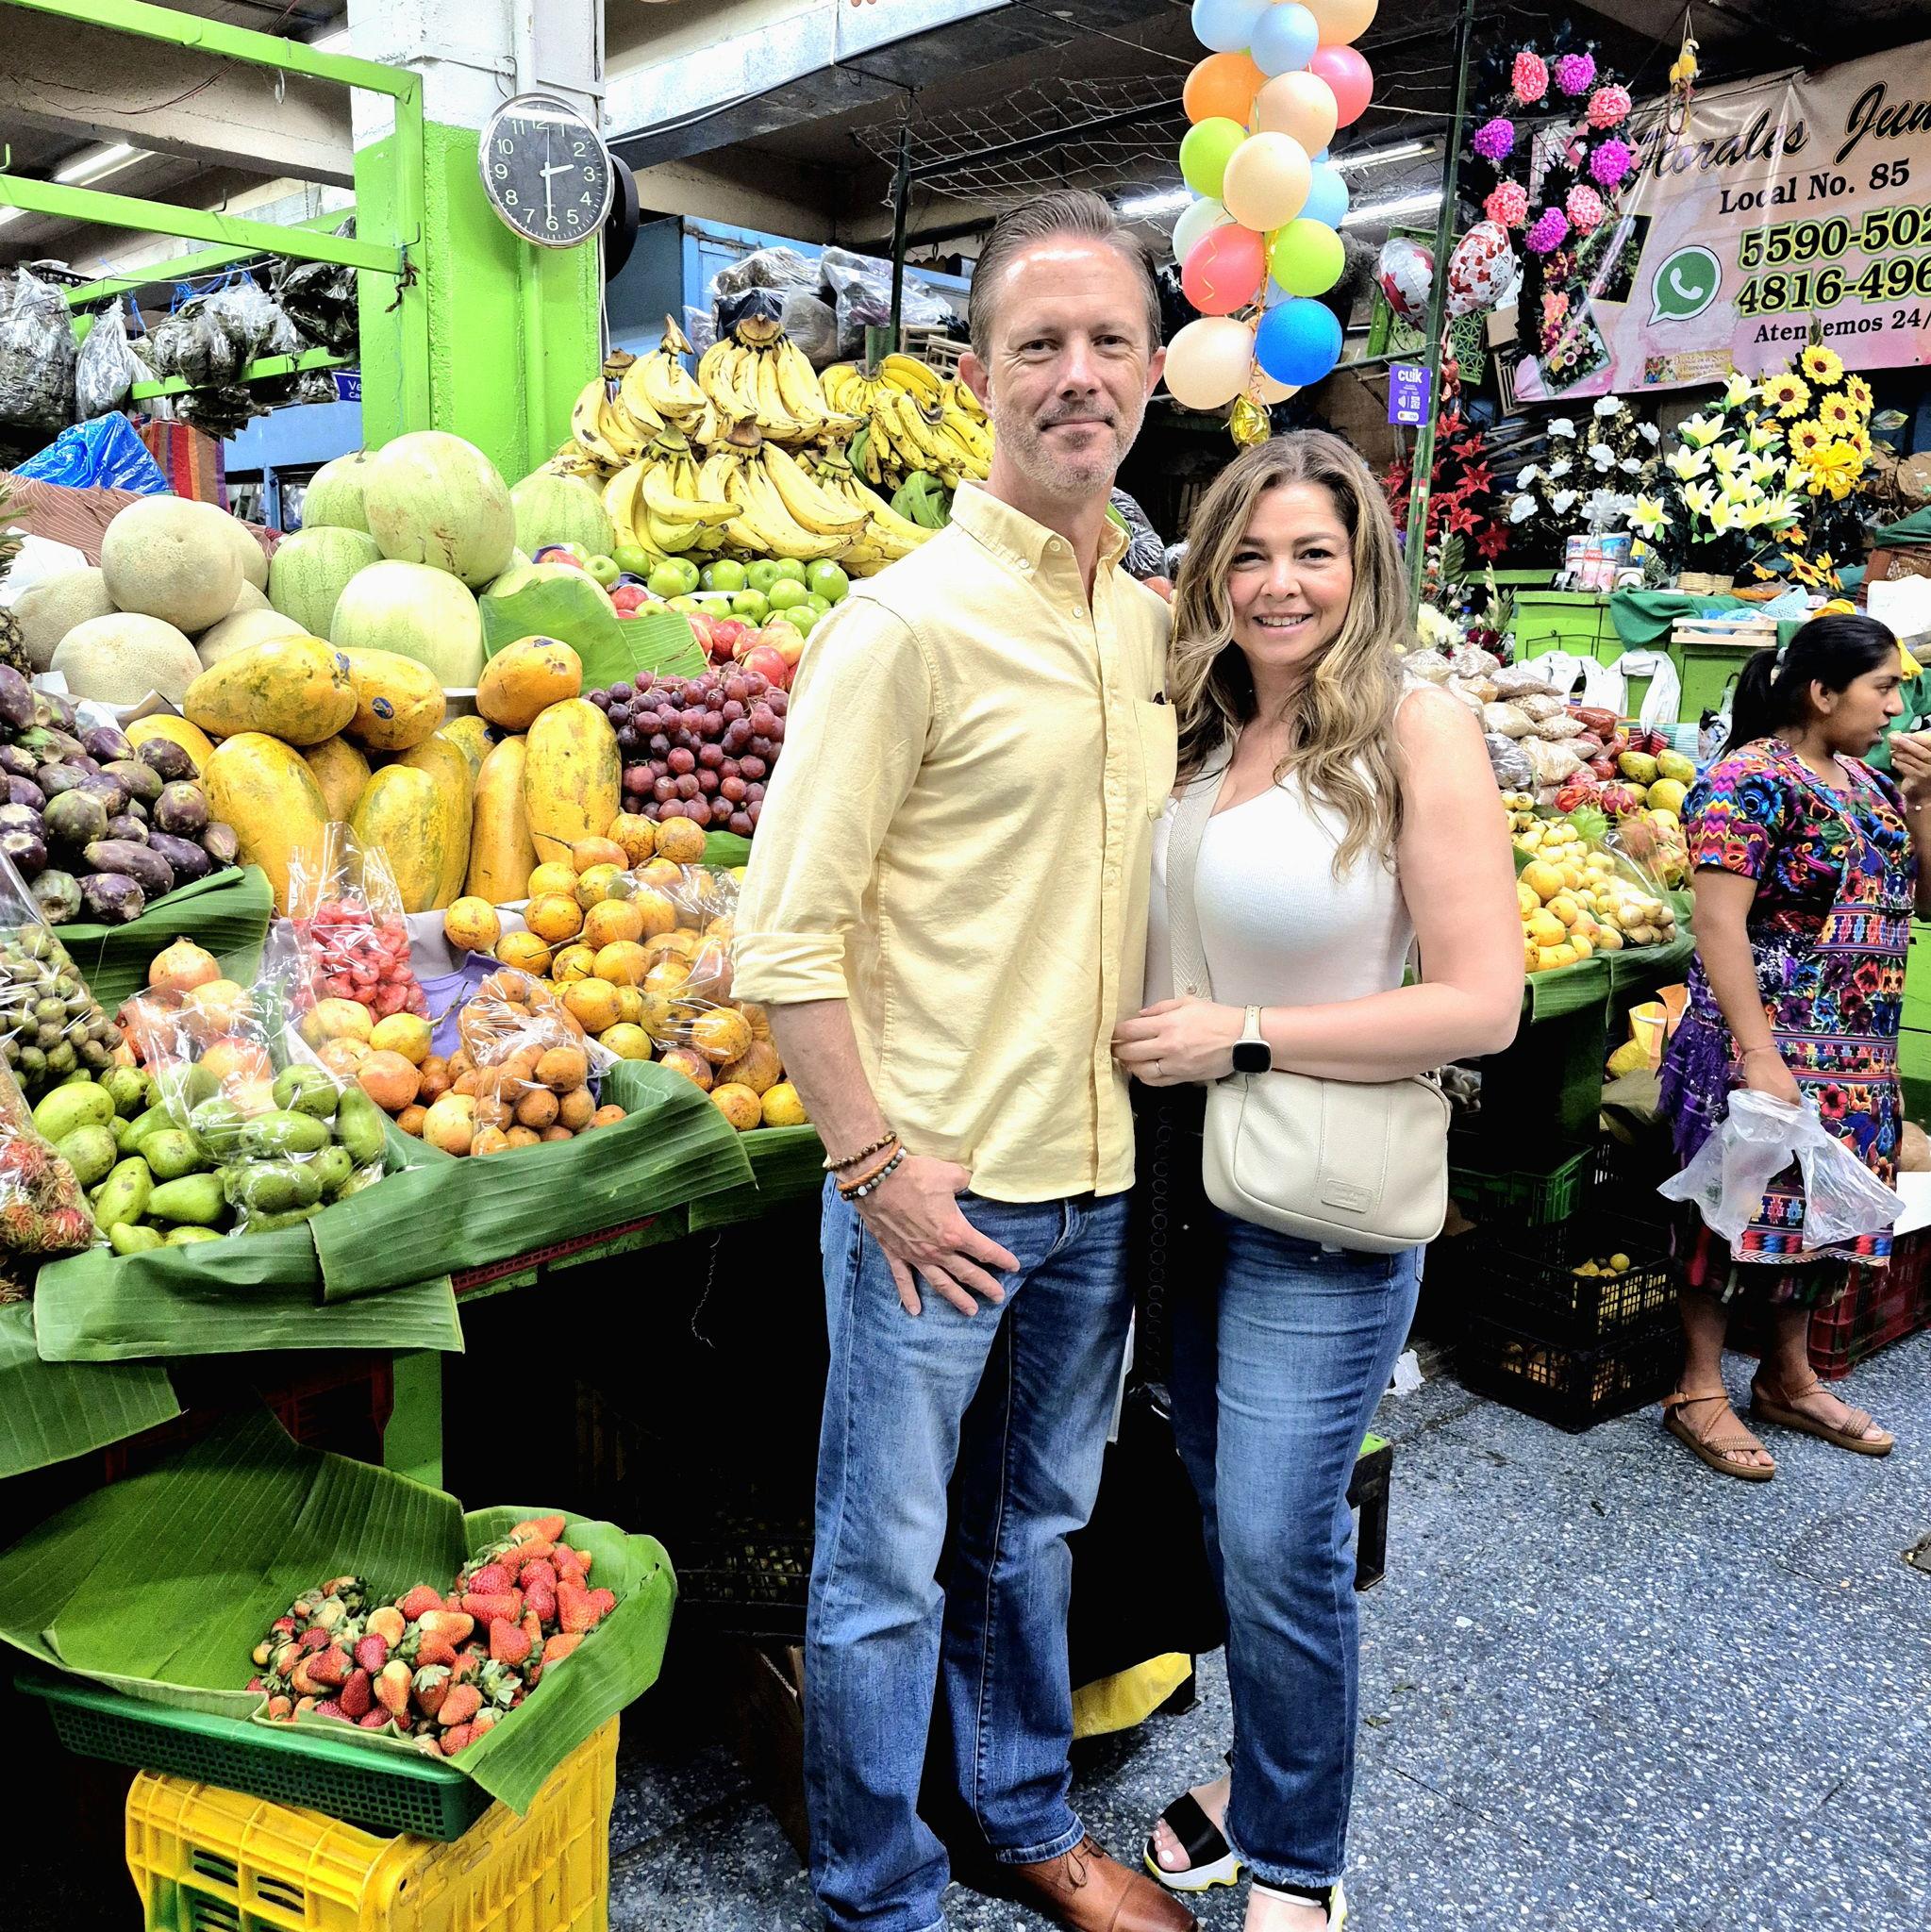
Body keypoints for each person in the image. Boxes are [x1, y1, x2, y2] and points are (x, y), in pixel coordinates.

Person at [732, 188, 1192, 1932]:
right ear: (977, 371)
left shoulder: (1151, 627)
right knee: (878, 1574)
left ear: (1153, 367)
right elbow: (781, 936)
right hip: (938, 1188)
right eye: (1039, 345)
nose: (1078, 377)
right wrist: (873, 1165)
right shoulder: (900, 625)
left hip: (1094, 1177)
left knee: (1034, 1536)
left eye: (1107, 343)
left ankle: (1021, 1812)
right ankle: (875, 1891)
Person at [1119, 431, 1522, 1930]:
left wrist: (1243, 1036)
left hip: (1315, 1201)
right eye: (1248, 552)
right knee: (1228, 1514)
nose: (1277, 585)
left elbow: (1482, 1002)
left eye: (1312, 554)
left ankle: (1297, 1866)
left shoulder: (1412, 729)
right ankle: (1256, 1774)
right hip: (1177, 1192)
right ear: (1207, 570)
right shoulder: (1198, 731)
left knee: (1280, 1536)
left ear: (1363, 572)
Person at [1658, 612, 1928, 1478]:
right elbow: (1716, 922)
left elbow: (1922, 902)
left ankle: (1786, 1376)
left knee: (1818, 1223)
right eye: (1882, 687)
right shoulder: (1746, 781)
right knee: (1726, 1215)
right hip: (1766, 1042)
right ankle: (1696, 1387)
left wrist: (1922, 805)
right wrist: (1757, 1051)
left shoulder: (1868, 783)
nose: (1896, 706)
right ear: (1820, 691)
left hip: (1857, 1053)